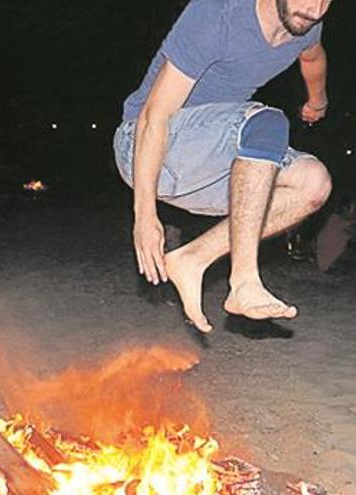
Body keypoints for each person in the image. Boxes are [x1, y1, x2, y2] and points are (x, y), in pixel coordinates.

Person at [114, 0, 333, 332]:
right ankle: (244, 281)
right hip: (145, 147)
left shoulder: (307, 23)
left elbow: (313, 58)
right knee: (266, 123)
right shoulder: (218, 13)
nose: (314, 8)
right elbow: (153, 116)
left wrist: (318, 100)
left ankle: (192, 259)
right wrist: (144, 217)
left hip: (208, 164)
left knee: (313, 184)